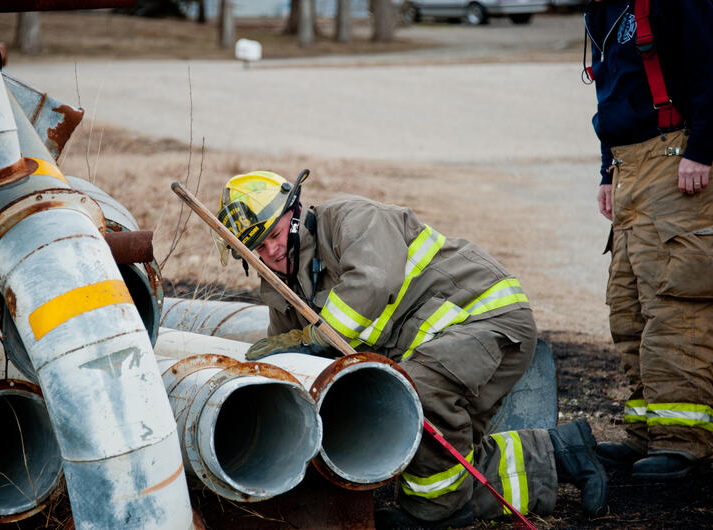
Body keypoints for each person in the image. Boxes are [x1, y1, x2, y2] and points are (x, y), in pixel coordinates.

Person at [214, 170, 608, 527]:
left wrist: (312, 338)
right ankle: (561, 451)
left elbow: (372, 283)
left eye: (274, 234)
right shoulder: (282, 291)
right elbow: (297, 364)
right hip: (439, 349)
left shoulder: (351, 220)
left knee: (414, 396)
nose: (271, 251)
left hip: (485, 318)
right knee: (427, 444)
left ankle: (435, 514)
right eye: (256, 249)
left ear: (294, 211)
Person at [584, 0, 713, 480]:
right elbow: (611, 95)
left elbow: (708, 67)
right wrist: (605, 172)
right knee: (628, 305)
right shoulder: (602, 8)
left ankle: (684, 441)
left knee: (675, 305)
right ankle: (647, 431)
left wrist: (702, 149)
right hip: (627, 166)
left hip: (677, 159)